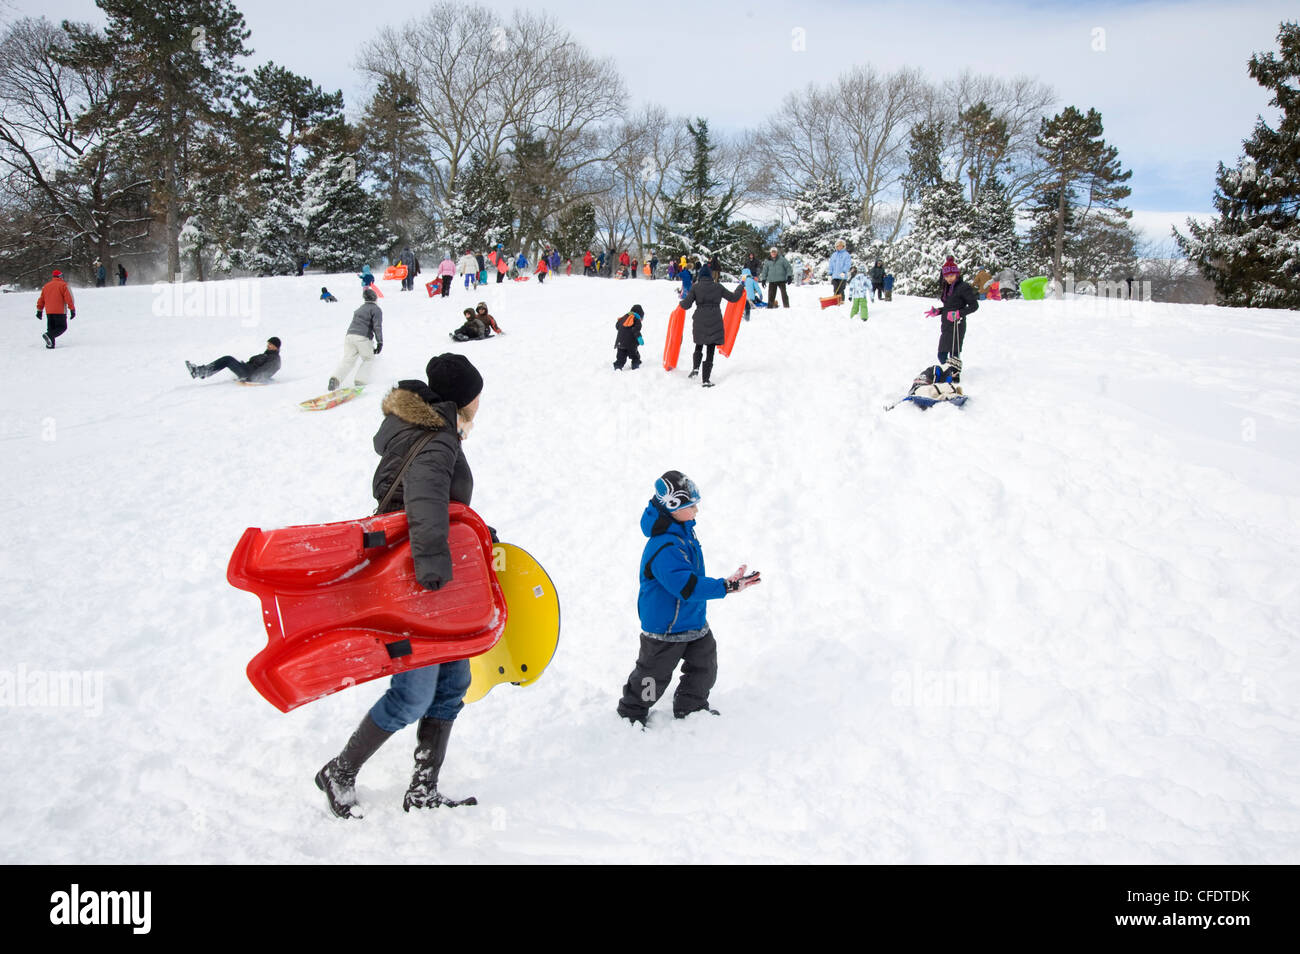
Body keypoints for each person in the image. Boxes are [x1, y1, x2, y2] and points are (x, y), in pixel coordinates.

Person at [316, 354, 485, 819]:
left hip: (439, 580)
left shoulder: (426, 429)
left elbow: (440, 506)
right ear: (461, 399)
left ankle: (424, 787)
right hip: (421, 584)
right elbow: (425, 501)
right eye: (476, 396)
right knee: (413, 693)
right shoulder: (436, 438)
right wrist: (433, 565)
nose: (480, 404)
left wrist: (474, 537)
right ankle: (340, 771)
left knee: (453, 682)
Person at [616, 471, 761, 726]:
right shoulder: (665, 546)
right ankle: (634, 710)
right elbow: (686, 586)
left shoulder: (683, 533)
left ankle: (691, 706)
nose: (696, 510)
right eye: (690, 505)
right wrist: (725, 587)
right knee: (652, 677)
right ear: (672, 507)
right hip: (665, 630)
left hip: (692, 621)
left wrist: (724, 585)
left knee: (705, 666)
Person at [681, 265, 743, 388]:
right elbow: (733, 298)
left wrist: (680, 304)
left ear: (700, 276)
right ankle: (706, 380)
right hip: (715, 319)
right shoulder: (717, 287)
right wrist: (741, 287)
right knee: (710, 348)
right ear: (710, 276)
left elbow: (686, 305)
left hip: (699, 319)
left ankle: (695, 369)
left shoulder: (696, 287)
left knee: (699, 344)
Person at [924, 256, 979, 382]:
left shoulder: (963, 287)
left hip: (957, 324)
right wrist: (938, 311)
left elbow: (974, 306)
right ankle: (948, 372)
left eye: (952, 276)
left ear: (957, 274)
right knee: (941, 354)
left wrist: (959, 313)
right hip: (946, 324)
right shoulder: (947, 287)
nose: (949, 278)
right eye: (947, 276)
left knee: (954, 353)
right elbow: (948, 307)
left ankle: (954, 376)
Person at [328, 287, 383, 391]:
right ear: (375, 298)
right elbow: (377, 326)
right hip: (362, 337)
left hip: (349, 336)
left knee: (348, 360)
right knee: (368, 359)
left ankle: (335, 379)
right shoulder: (376, 309)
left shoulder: (359, 309)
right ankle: (360, 381)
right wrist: (380, 342)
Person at [186, 337, 282, 383]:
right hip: (247, 370)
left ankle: (201, 372)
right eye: (268, 343)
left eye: (271, 344)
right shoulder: (267, 354)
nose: (268, 345)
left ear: (276, 347)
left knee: (228, 359)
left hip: (248, 374)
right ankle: (202, 372)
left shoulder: (274, 359)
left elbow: (265, 371)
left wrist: (252, 379)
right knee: (227, 359)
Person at [36, 269, 76, 349]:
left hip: (49, 312)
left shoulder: (46, 286)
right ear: (60, 276)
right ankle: (49, 335)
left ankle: (50, 344)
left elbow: (41, 299)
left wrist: (39, 310)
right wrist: (72, 309)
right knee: (62, 327)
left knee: (52, 328)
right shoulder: (63, 285)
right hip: (59, 311)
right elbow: (69, 298)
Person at [613, 304, 644, 370]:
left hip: (620, 342)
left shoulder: (623, 318)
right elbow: (636, 331)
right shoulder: (636, 320)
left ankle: (618, 366)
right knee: (635, 355)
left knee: (620, 357)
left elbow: (617, 326)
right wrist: (639, 339)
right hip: (631, 344)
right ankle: (635, 364)